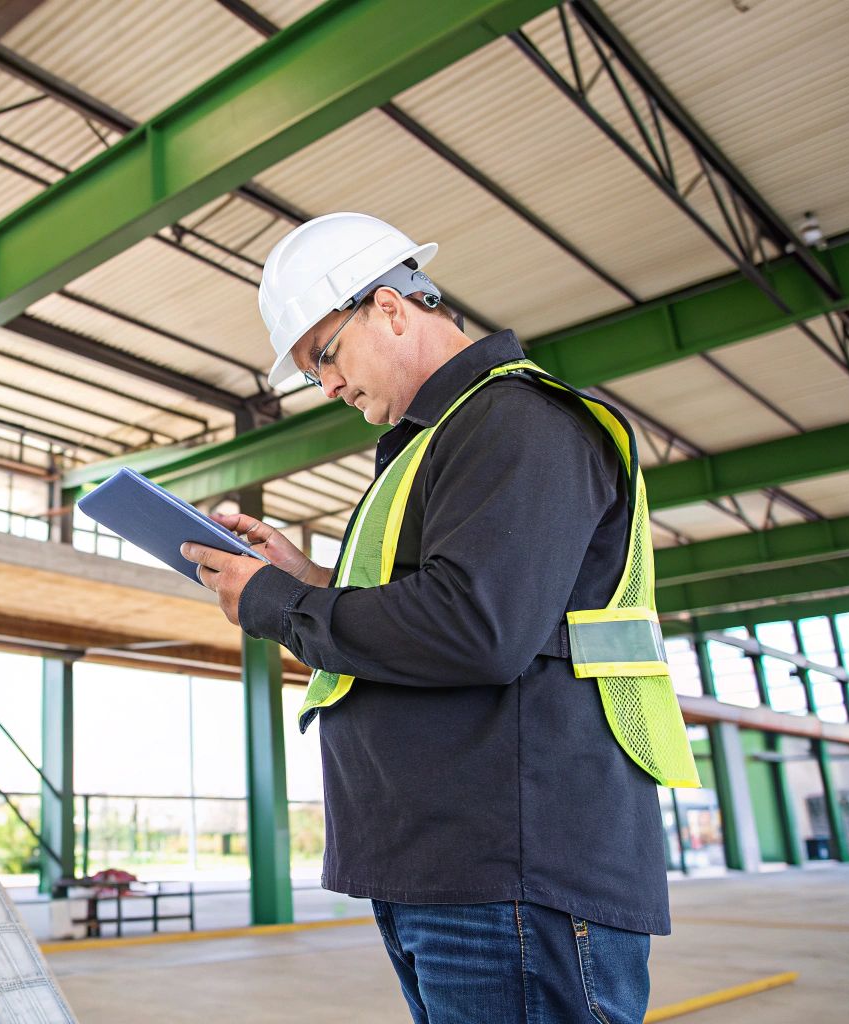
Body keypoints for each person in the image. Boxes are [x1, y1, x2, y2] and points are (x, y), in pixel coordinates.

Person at [181, 213, 699, 1024]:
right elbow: (443, 602)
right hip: (454, 867)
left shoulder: (517, 422)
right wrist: (306, 578)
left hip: (515, 870)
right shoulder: (441, 443)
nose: (327, 386)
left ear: (390, 307)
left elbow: (478, 628)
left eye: (325, 355)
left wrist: (280, 605)